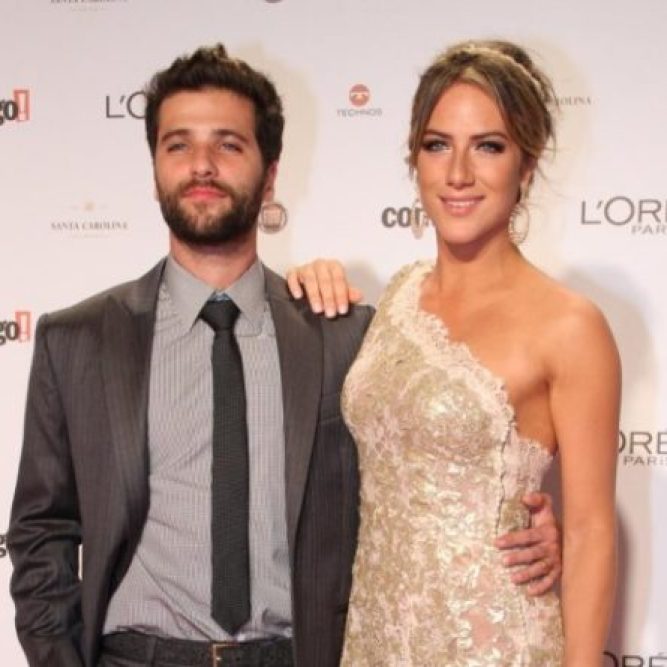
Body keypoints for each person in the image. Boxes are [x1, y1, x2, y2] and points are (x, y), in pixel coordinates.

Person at [7, 44, 562, 667]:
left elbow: (421, 480)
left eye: (228, 145)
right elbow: (41, 531)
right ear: (155, 166)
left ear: (270, 175)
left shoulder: (343, 336)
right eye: (178, 145)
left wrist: (520, 531)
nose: (202, 165)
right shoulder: (78, 341)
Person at [288, 40, 619, 666]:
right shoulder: (398, 297)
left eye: (488, 146)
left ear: (527, 165)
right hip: (376, 643)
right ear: (415, 159)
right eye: (437, 145)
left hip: (496, 647)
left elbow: (591, 532)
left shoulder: (570, 326)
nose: (458, 173)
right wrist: (303, 283)